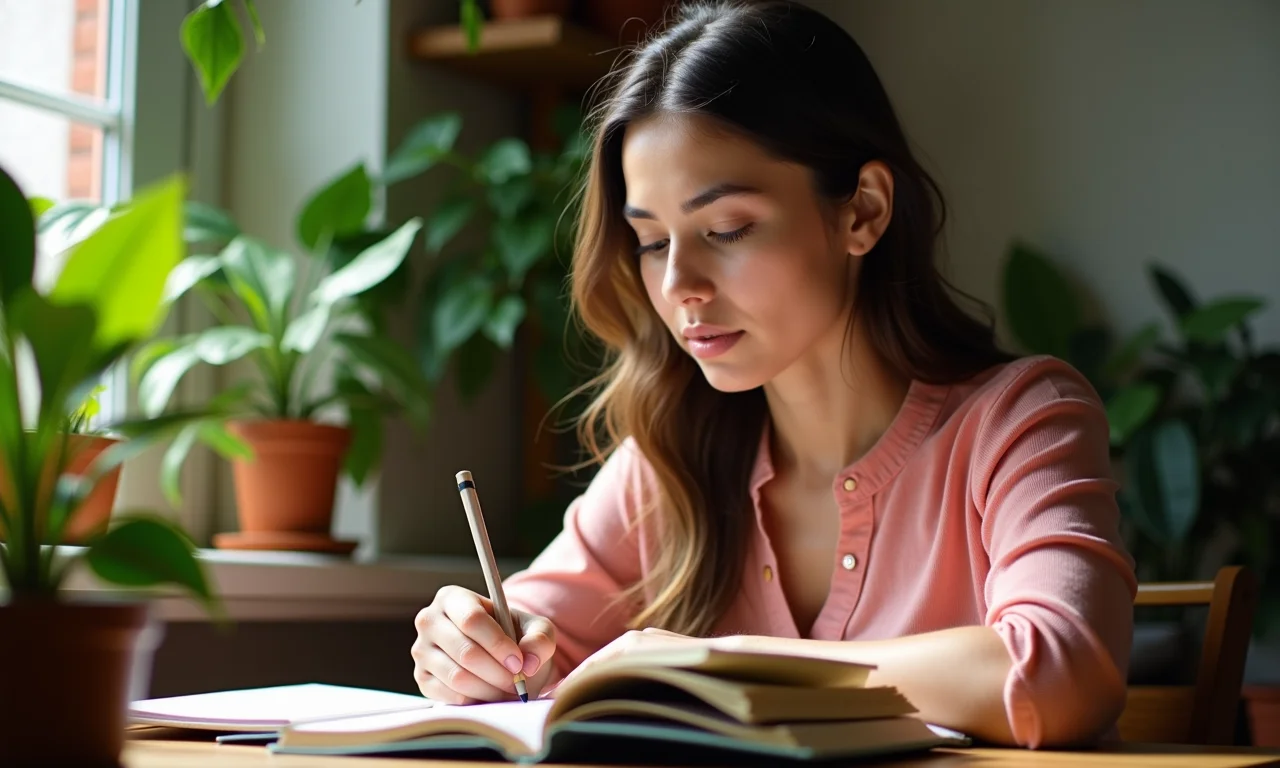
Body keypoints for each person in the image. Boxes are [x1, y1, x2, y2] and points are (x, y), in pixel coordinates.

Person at [412, 0, 1136, 749]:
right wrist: (475, 650)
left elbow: (1059, 674)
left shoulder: (1018, 421)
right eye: (653, 242)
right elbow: (533, 644)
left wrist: (718, 664)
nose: (680, 285)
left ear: (863, 210)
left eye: (727, 229)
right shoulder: (671, 456)